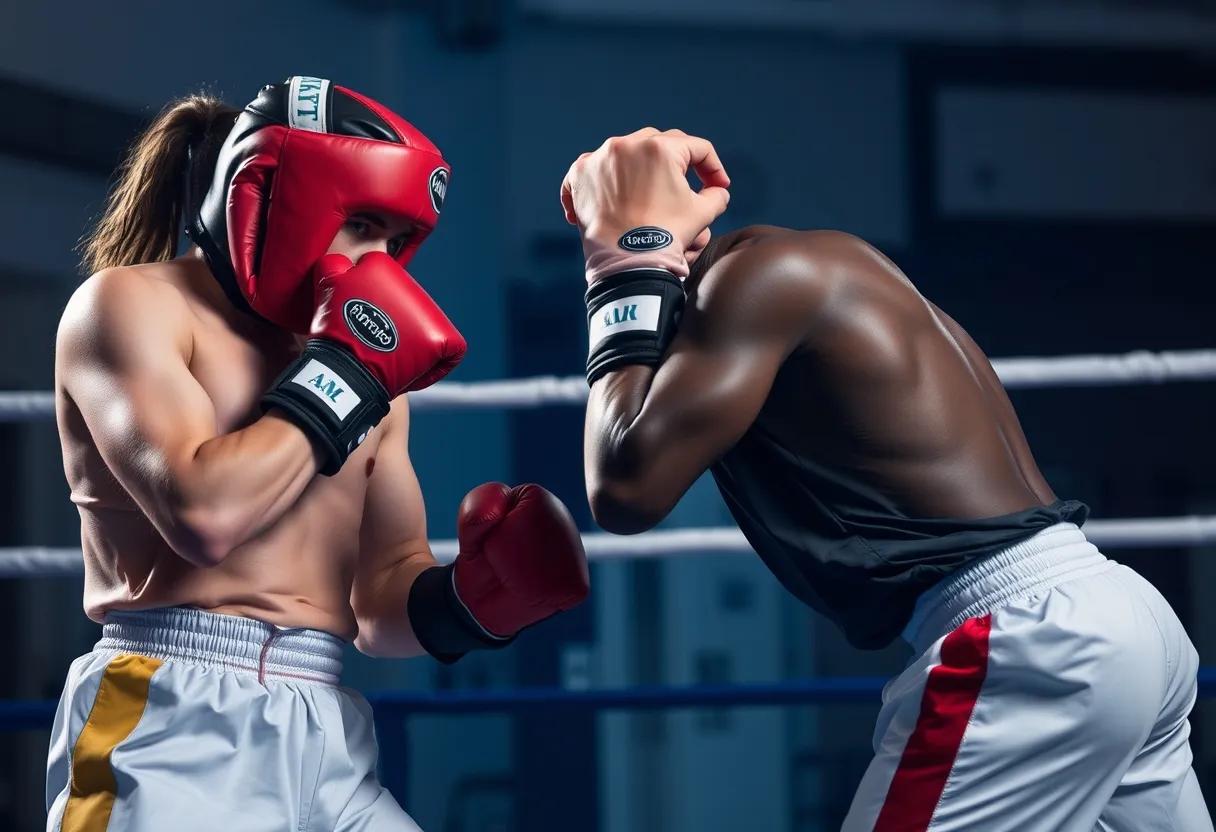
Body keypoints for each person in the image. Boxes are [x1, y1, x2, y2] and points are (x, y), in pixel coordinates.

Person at [560, 127, 1211, 831]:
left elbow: (622, 485)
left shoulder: (754, 281)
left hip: (1027, 643)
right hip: (1112, 618)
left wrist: (618, 273)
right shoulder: (828, 268)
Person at [48, 76, 589, 832]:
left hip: (326, 723)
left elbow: (379, 598)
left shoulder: (377, 375)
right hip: (170, 717)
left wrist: (472, 599)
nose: (380, 260)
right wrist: (349, 371)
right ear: (265, 197)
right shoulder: (132, 307)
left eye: (398, 242)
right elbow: (203, 513)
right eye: (363, 223)